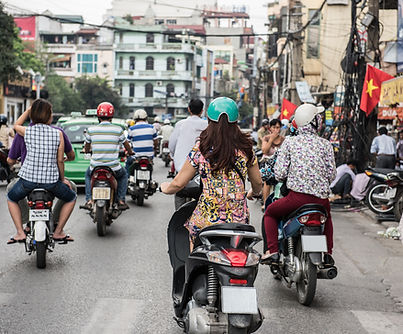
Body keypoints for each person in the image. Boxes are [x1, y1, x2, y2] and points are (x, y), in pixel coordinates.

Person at [161, 97, 262, 249]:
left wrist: (165, 187)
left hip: (207, 219)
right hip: (238, 220)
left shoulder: (202, 148)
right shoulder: (246, 148)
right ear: (236, 121)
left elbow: (178, 183)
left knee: (193, 238)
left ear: (209, 119)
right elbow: (258, 183)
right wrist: (253, 192)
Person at [262, 103, 336, 266]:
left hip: (296, 199)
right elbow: (332, 175)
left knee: (270, 212)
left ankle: (273, 251)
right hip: (321, 201)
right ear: (314, 122)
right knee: (327, 217)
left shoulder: (289, 143)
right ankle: (328, 254)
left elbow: (280, 174)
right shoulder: (326, 144)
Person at [7, 99, 76, 243]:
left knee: (12, 198)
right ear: (49, 115)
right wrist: (62, 179)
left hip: (27, 181)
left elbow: (16, 125)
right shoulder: (58, 134)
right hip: (51, 182)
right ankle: (58, 231)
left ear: (32, 115)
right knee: (71, 197)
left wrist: (28, 110)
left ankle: (20, 232)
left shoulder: (28, 131)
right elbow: (60, 161)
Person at [82, 102, 134, 211]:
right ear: (112, 116)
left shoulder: (91, 130)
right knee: (124, 175)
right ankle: (120, 200)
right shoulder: (118, 130)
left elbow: (86, 148)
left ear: (98, 115)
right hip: (113, 167)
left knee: (87, 175)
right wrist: (130, 152)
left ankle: (88, 200)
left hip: (95, 166)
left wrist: (87, 151)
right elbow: (126, 146)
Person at [169, 99, 208, 209]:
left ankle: (178, 219)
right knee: (202, 195)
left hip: (182, 167)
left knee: (180, 192)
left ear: (189, 109)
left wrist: (173, 155)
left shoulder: (181, 124)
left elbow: (172, 145)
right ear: (202, 111)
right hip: (202, 170)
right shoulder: (207, 125)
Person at [260, 119, 285, 209]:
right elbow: (264, 150)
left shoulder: (283, 140)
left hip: (280, 164)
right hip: (268, 164)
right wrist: (271, 140)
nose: (276, 130)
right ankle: (266, 202)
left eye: (278, 127)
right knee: (268, 181)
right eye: (274, 127)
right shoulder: (266, 138)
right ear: (270, 128)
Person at [125, 109, 157, 175]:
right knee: (150, 166)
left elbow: (127, 143)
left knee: (128, 163)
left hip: (136, 156)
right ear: (146, 118)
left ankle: (128, 179)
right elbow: (155, 141)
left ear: (135, 119)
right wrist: (154, 149)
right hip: (149, 155)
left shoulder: (131, 129)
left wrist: (129, 152)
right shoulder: (152, 127)